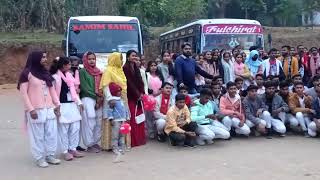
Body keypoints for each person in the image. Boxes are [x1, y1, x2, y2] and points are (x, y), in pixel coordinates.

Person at [18, 51, 61, 168]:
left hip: (49, 108)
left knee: (51, 133)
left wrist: (57, 105)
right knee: (37, 135)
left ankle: (50, 155)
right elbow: (24, 94)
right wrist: (31, 109)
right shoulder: (26, 73)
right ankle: (39, 157)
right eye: (43, 57)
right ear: (36, 58)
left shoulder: (45, 72)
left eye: (46, 57)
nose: (45, 59)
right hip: (36, 110)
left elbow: (52, 90)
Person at [50, 57, 84, 161]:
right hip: (62, 106)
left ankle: (73, 148)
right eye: (69, 65)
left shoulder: (70, 76)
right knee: (63, 130)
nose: (70, 67)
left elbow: (73, 91)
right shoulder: (55, 77)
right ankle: (65, 151)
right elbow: (54, 94)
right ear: (63, 66)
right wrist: (56, 107)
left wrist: (79, 102)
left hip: (72, 105)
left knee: (75, 128)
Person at [99, 52, 129, 151]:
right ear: (114, 59)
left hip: (122, 97)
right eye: (120, 59)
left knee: (122, 121)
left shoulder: (120, 71)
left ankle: (122, 144)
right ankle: (109, 145)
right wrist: (110, 98)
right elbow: (105, 86)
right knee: (113, 122)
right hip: (112, 99)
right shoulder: (108, 71)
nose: (121, 61)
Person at [79, 52, 103, 153]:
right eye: (89, 59)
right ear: (85, 60)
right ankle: (89, 144)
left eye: (93, 59)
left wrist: (100, 99)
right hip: (88, 98)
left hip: (99, 99)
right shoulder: (83, 71)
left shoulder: (98, 72)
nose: (92, 61)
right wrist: (97, 97)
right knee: (89, 121)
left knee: (98, 121)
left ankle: (94, 142)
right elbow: (84, 88)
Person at [123, 50, 146, 147]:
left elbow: (140, 81)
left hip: (138, 96)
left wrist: (142, 93)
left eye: (135, 56)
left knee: (139, 117)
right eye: (132, 56)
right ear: (128, 57)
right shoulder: (125, 68)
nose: (134, 57)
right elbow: (129, 83)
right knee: (132, 118)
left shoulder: (136, 67)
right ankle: (133, 141)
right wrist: (137, 95)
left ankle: (140, 139)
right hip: (131, 96)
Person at [107, 83, 130, 161]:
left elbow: (125, 109)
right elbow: (109, 111)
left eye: (120, 91)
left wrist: (127, 117)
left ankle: (122, 146)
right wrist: (111, 119)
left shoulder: (122, 100)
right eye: (118, 91)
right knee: (115, 135)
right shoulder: (112, 101)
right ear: (113, 92)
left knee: (122, 135)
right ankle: (115, 147)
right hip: (116, 121)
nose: (120, 93)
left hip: (122, 120)